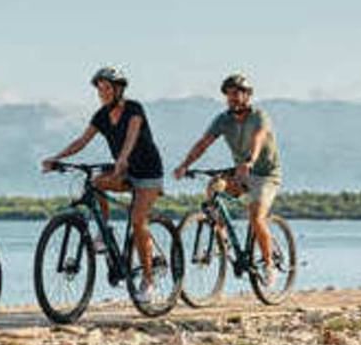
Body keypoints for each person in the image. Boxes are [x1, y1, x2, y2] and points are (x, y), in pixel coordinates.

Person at [42, 66, 165, 302]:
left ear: (118, 89)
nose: (103, 93)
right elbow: (82, 140)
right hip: (124, 170)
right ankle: (104, 230)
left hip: (148, 172)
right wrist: (57, 158)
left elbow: (131, 137)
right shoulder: (101, 116)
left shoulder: (134, 109)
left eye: (107, 88)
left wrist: (121, 158)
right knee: (96, 182)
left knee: (139, 221)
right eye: (100, 89)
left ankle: (148, 282)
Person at [172, 72, 282, 283]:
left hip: (266, 174)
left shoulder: (259, 116)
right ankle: (222, 239)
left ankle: (269, 264)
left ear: (247, 95)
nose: (233, 97)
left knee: (256, 217)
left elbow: (258, 139)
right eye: (229, 94)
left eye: (238, 93)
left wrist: (250, 161)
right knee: (214, 187)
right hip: (240, 171)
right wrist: (185, 165)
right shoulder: (223, 120)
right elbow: (204, 143)